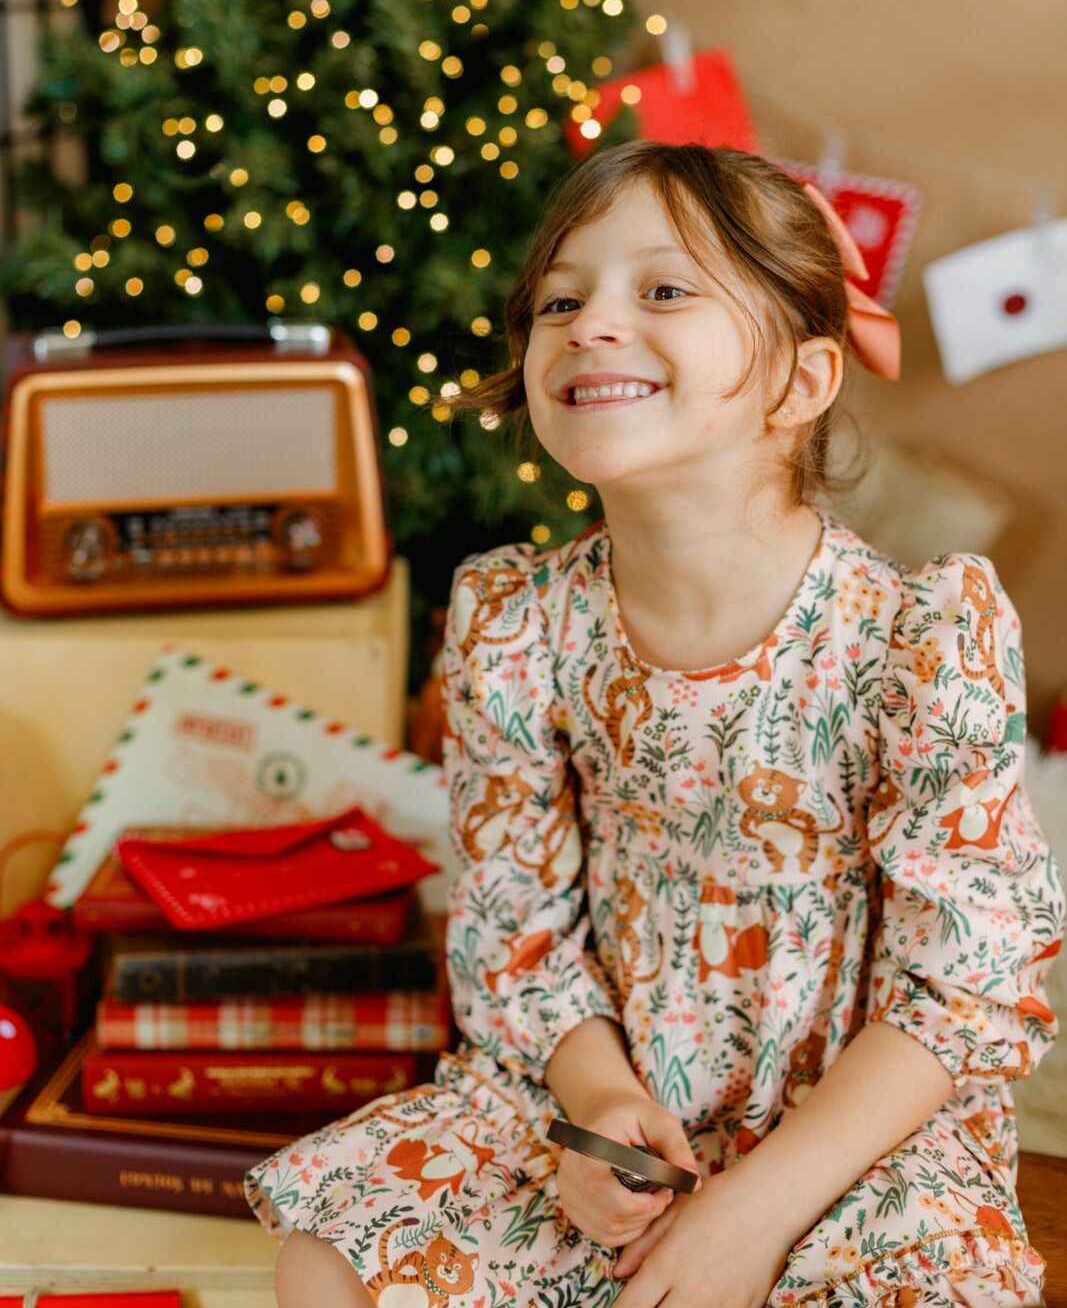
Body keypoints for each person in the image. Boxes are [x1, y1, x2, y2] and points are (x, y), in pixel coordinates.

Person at [251, 141, 1064, 1308]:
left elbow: (964, 986)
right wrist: (594, 1107)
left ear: (800, 380)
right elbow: (516, 931)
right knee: (326, 1259)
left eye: (665, 290)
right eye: (560, 299)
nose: (589, 324)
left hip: (853, 1136)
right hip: (613, 1101)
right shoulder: (514, 627)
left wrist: (748, 1212)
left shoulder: (917, 641)